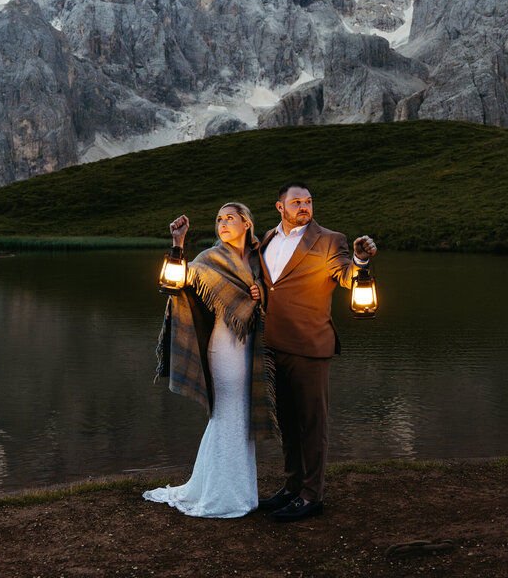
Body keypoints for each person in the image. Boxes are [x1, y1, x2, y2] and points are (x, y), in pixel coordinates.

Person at [143, 202, 275, 518]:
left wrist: (261, 291)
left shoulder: (260, 261)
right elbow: (174, 283)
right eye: (218, 219)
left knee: (240, 417)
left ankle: (238, 492)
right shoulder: (208, 260)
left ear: (247, 224)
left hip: (251, 349)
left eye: (230, 218)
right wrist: (178, 244)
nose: (223, 223)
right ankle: (222, 497)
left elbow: (275, 293)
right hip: (225, 349)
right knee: (227, 414)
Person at [257, 181, 377, 521]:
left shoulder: (330, 240)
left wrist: (360, 260)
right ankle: (292, 487)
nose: (304, 206)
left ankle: (312, 496)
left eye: (308, 201)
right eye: (296, 202)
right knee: (288, 423)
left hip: (310, 346)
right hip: (272, 346)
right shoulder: (267, 237)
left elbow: (345, 274)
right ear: (280, 207)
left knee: (312, 423)